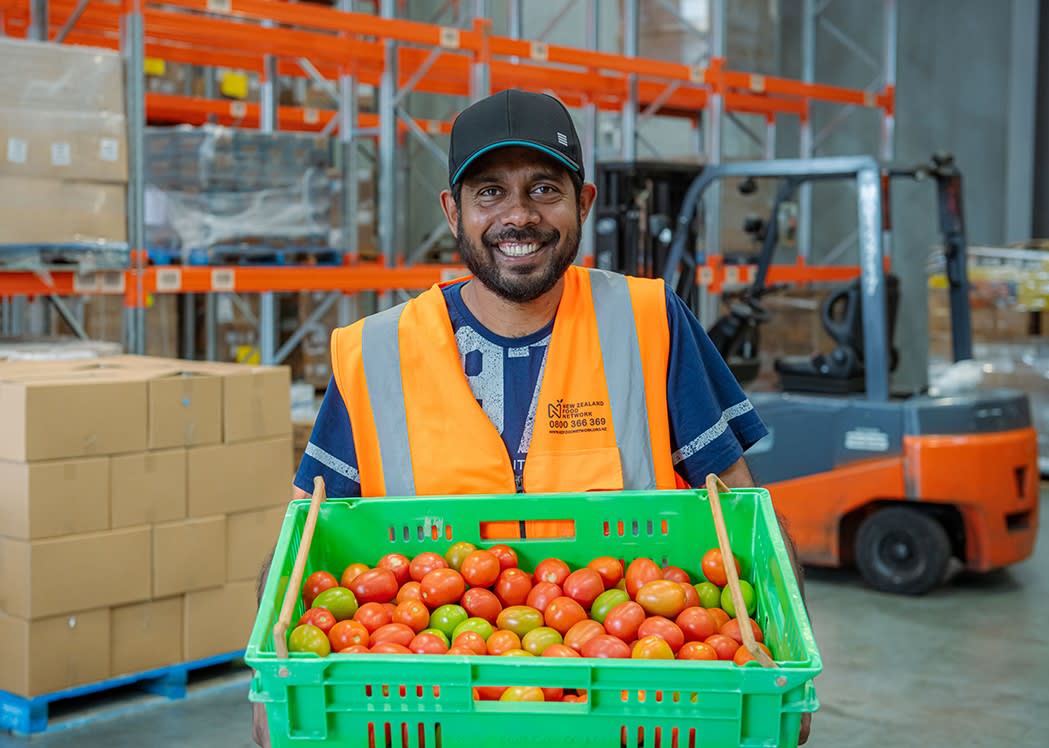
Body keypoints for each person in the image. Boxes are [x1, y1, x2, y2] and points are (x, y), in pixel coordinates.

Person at [253, 89, 809, 745]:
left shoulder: (648, 321)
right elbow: (300, 540)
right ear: (452, 211)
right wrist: (267, 688)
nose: (518, 216)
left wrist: (786, 671)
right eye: (488, 192)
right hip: (429, 708)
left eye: (544, 188)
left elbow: (746, 519)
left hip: (625, 707)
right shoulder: (377, 352)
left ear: (584, 202)